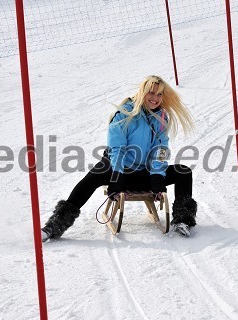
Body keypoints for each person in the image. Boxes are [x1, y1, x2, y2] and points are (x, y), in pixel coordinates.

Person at [41, 75, 197, 241]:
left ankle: (182, 221)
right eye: (151, 93)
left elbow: (161, 149)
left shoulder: (161, 118)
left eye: (159, 95)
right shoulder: (125, 114)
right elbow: (117, 149)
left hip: (143, 173)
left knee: (183, 172)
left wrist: (157, 177)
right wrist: (117, 177)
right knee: (93, 177)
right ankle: (55, 225)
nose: (155, 98)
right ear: (142, 92)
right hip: (118, 170)